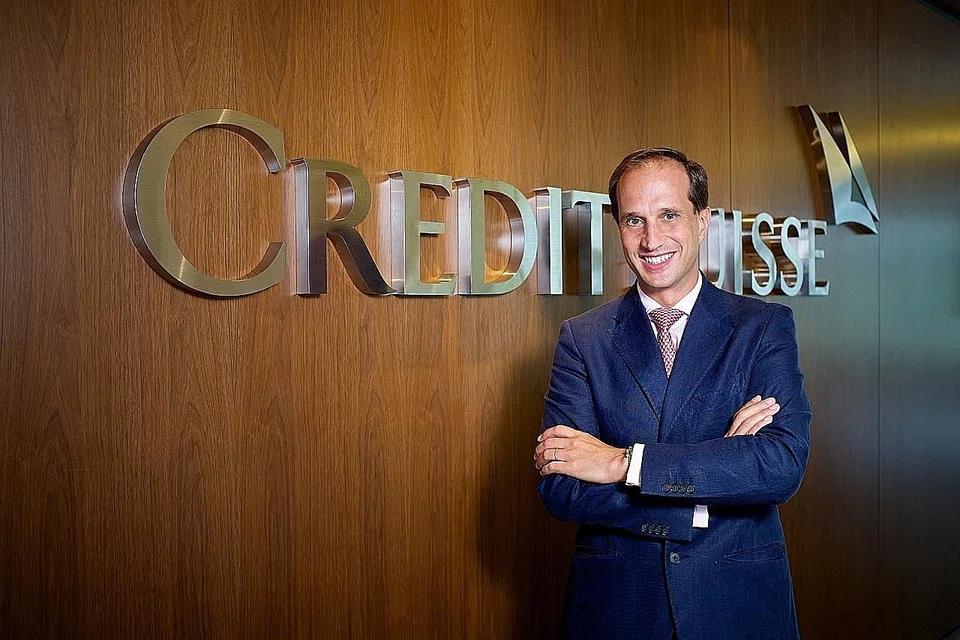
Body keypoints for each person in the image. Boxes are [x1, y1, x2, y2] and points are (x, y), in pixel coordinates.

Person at [534, 147, 811, 639]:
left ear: (702, 221)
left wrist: (622, 463)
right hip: (620, 608)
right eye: (633, 220)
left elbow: (779, 464)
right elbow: (562, 484)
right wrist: (712, 480)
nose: (651, 239)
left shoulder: (763, 327)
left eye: (668, 215)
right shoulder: (582, 338)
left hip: (736, 604)